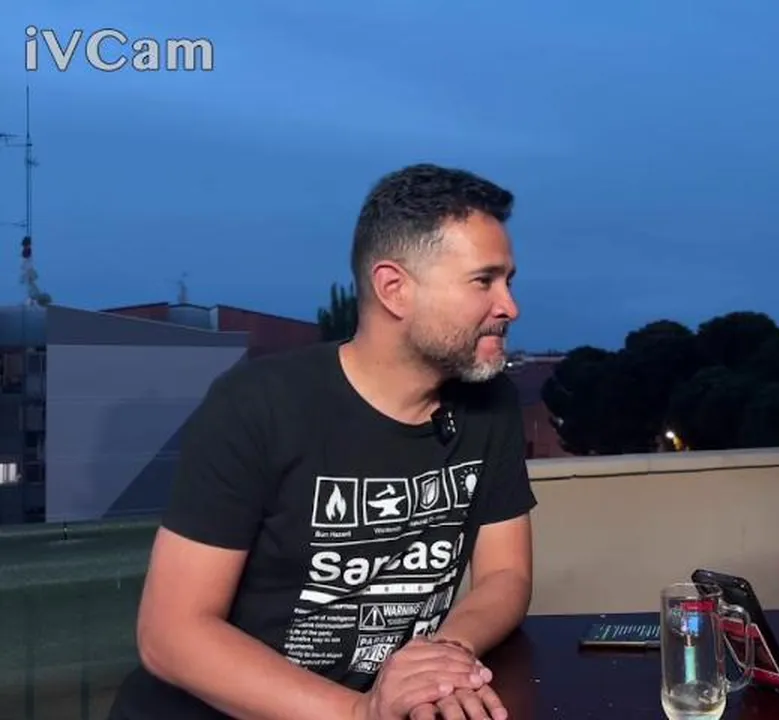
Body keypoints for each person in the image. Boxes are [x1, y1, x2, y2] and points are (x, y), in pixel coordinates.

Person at [108, 163, 537, 720]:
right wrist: (358, 713)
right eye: (484, 281)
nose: (509, 306)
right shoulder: (258, 404)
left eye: (508, 281)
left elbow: (506, 575)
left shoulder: (491, 404)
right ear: (394, 289)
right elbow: (169, 635)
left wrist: (445, 654)